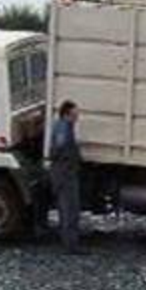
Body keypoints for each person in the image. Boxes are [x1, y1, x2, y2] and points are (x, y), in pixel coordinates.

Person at [49, 100, 84, 254]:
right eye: (75, 114)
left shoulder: (63, 126)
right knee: (69, 209)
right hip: (65, 174)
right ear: (67, 114)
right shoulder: (64, 127)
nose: (77, 117)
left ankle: (70, 243)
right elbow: (59, 147)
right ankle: (70, 246)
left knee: (69, 209)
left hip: (63, 172)